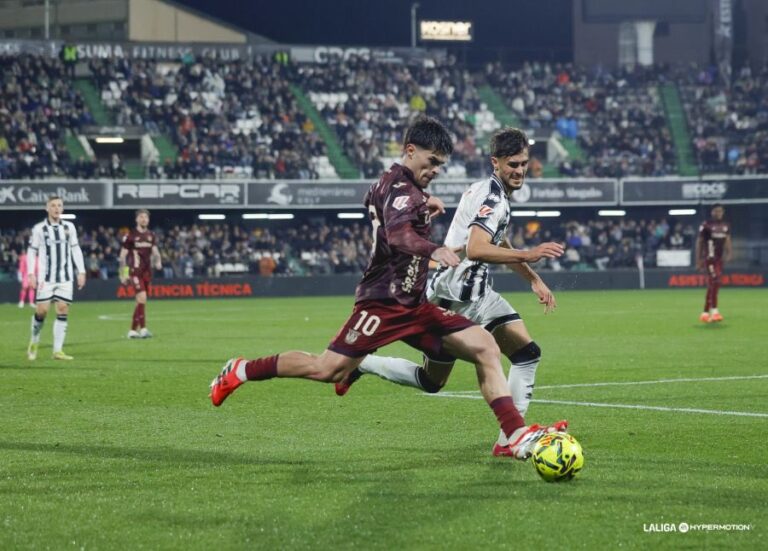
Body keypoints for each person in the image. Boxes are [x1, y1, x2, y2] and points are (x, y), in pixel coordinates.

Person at [209, 117, 565, 459]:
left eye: (440, 165)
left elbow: (378, 204)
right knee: (326, 369)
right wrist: (433, 247)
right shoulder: (403, 192)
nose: (435, 170)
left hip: (416, 302)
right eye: (431, 162)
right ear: (410, 150)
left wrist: (424, 204)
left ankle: (514, 436)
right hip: (382, 302)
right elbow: (399, 235)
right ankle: (241, 369)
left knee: (484, 346)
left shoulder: (396, 185)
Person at [335, 128, 566, 456]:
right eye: (512, 164)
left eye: (524, 164)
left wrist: (532, 278)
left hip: (479, 295)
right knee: (432, 381)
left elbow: (495, 239)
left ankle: (510, 440)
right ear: (495, 163)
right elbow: (476, 249)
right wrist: (529, 254)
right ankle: (365, 364)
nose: (519, 170)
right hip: (451, 298)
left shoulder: (487, 190)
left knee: (527, 353)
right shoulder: (493, 198)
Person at [26, 196, 86, 361]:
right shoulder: (39, 228)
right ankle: (34, 340)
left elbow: (75, 249)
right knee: (42, 311)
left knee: (62, 309)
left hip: (65, 277)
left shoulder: (69, 227)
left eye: (59, 205)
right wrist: (31, 273)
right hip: (46, 278)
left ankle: (57, 351)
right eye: (53, 205)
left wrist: (81, 271)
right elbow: (32, 251)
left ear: (62, 208)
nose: (56, 208)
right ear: (47, 208)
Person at [119, 209, 162, 338]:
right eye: (141, 217)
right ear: (136, 219)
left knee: (141, 301)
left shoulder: (151, 235)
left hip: (147, 272)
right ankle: (143, 329)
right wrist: (123, 274)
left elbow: (155, 251)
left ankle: (132, 330)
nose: (144, 219)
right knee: (142, 297)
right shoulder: (130, 236)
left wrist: (158, 261)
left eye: (146, 217)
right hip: (135, 271)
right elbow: (123, 256)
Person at [696, 203, 732, 323]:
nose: (718, 213)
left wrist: (729, 253)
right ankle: (715, 311)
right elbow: (700, 242)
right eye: (716, 211)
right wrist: (698, 260)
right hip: (709, 258)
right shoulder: (706, 225)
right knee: (715, 280)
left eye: (720, 211)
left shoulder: (725, 226)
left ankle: (705, 313)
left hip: (719, 260)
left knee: (713, 284)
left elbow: (727, 240)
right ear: (712, 212)